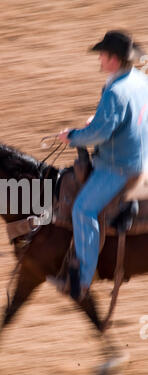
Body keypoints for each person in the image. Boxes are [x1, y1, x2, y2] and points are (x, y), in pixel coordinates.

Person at [58, 30, 148, 300]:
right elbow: (122, 118)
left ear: (114, 59)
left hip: (122, 165)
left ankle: (83, 279)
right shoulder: (139, 79)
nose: (99, 58)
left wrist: (72, 136)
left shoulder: (116, 91)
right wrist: (98, 120)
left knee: (83, 208)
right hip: (143, 153)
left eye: (102, 54)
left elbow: (99, 134)